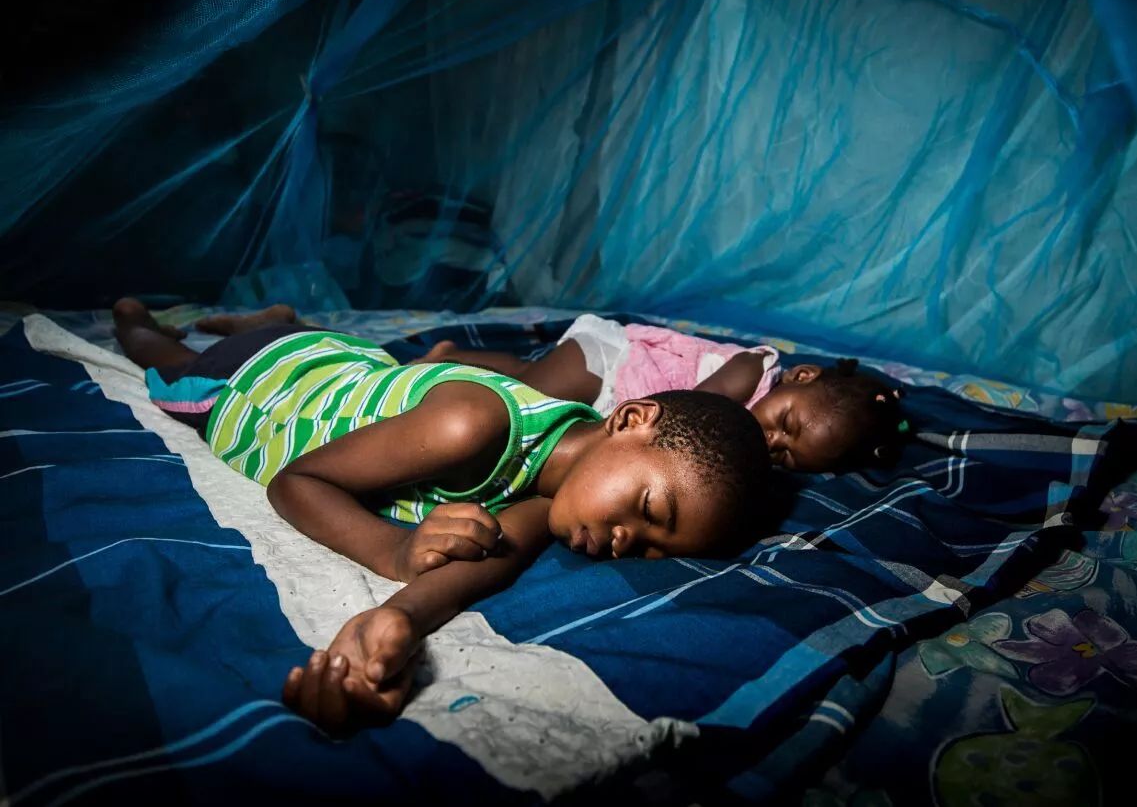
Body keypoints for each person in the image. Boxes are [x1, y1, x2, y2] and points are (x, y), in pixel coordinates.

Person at [112, 298, 772, 735]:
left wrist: (396, 622)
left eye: (655, 548)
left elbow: (473, 573)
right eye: (651, 509)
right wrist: (394, 552)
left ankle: (278, 320)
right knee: (163, 357)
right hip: (269, 380)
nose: (629, 540)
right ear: (629, 418)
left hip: (347, 362)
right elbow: (297, 481)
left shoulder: (551, 500)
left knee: (288, 338)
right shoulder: (472, 423)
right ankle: (139, 316)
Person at [417, 314, 908, 473]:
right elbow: (693, 408)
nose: (773, 440)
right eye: (787, 423)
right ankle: (447, 361)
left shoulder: (756, 437)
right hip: (612, 364)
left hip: (620, 393)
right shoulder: (753, 370)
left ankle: (453, 355)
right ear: (800, 377)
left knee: (531, 379)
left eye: (787, 455)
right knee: (531, 385)